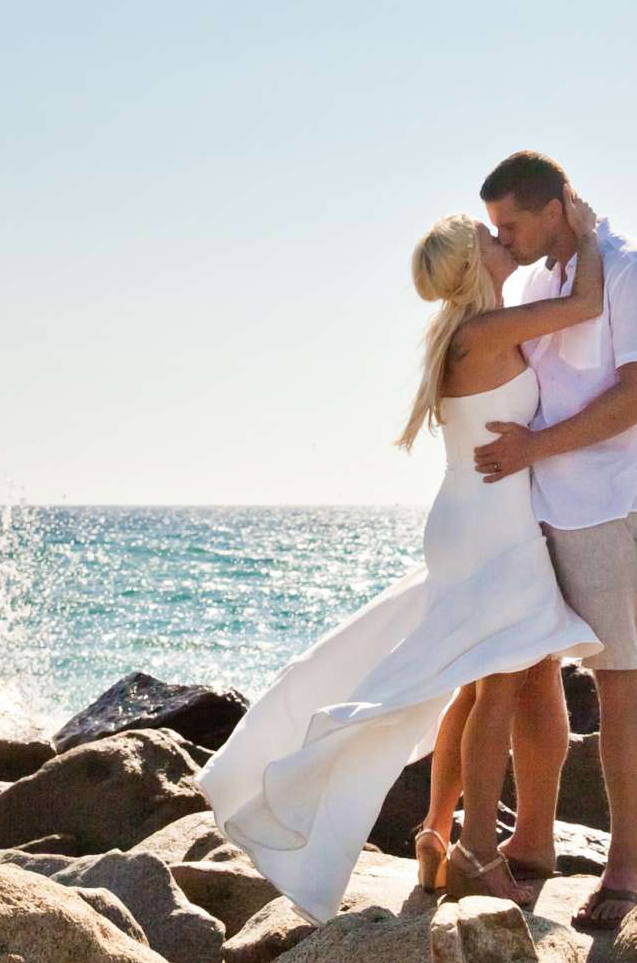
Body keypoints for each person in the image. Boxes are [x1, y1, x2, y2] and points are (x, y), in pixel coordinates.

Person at [195, 189, 608, 923]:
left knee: (472, 681)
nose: (499, 236)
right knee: (500, 683)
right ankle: (478, 852)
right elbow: (586, 304)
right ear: (474, 262)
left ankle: (436, 834)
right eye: (488, 233)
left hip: (473, 516)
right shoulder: (486, 329)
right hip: (490, 523)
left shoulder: (460, 332)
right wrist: (586, 228)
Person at [470, 150, 637, 931]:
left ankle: (626, 868)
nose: (506, 238)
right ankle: (533, 843)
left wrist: (534, 448)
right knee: (529, 672)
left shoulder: (635, 270)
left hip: (613, 506)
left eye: (512, 223)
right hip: (538, 503)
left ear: (556, 205)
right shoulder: (533, 283)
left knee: (617, 675)